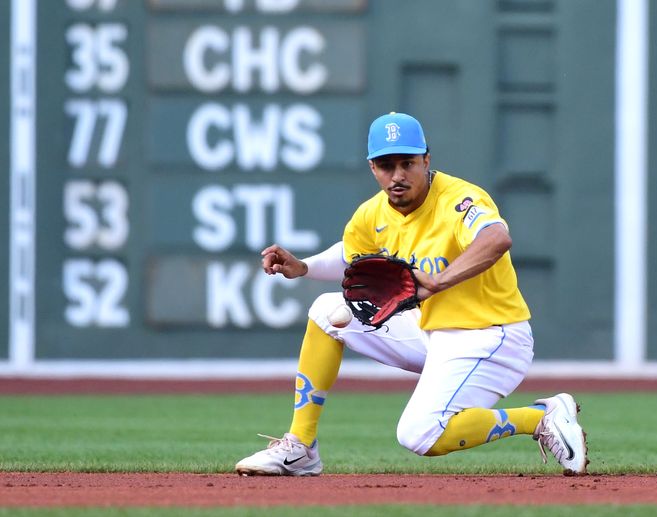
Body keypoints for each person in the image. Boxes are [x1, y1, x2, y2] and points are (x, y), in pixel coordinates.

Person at [235, 112, 588, 476]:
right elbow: (350, 256)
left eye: (408, 163)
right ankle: (301, 446)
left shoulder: (459, 199)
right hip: (432, 331)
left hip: (492, 335)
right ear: (373, 167)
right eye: (387, 165)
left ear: (426, 161)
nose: (398, 175)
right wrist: (304, 267)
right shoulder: (372, 214)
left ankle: (541, 418)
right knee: (327, 312)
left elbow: (496, 238)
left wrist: (440, 281)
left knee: (419, 435)